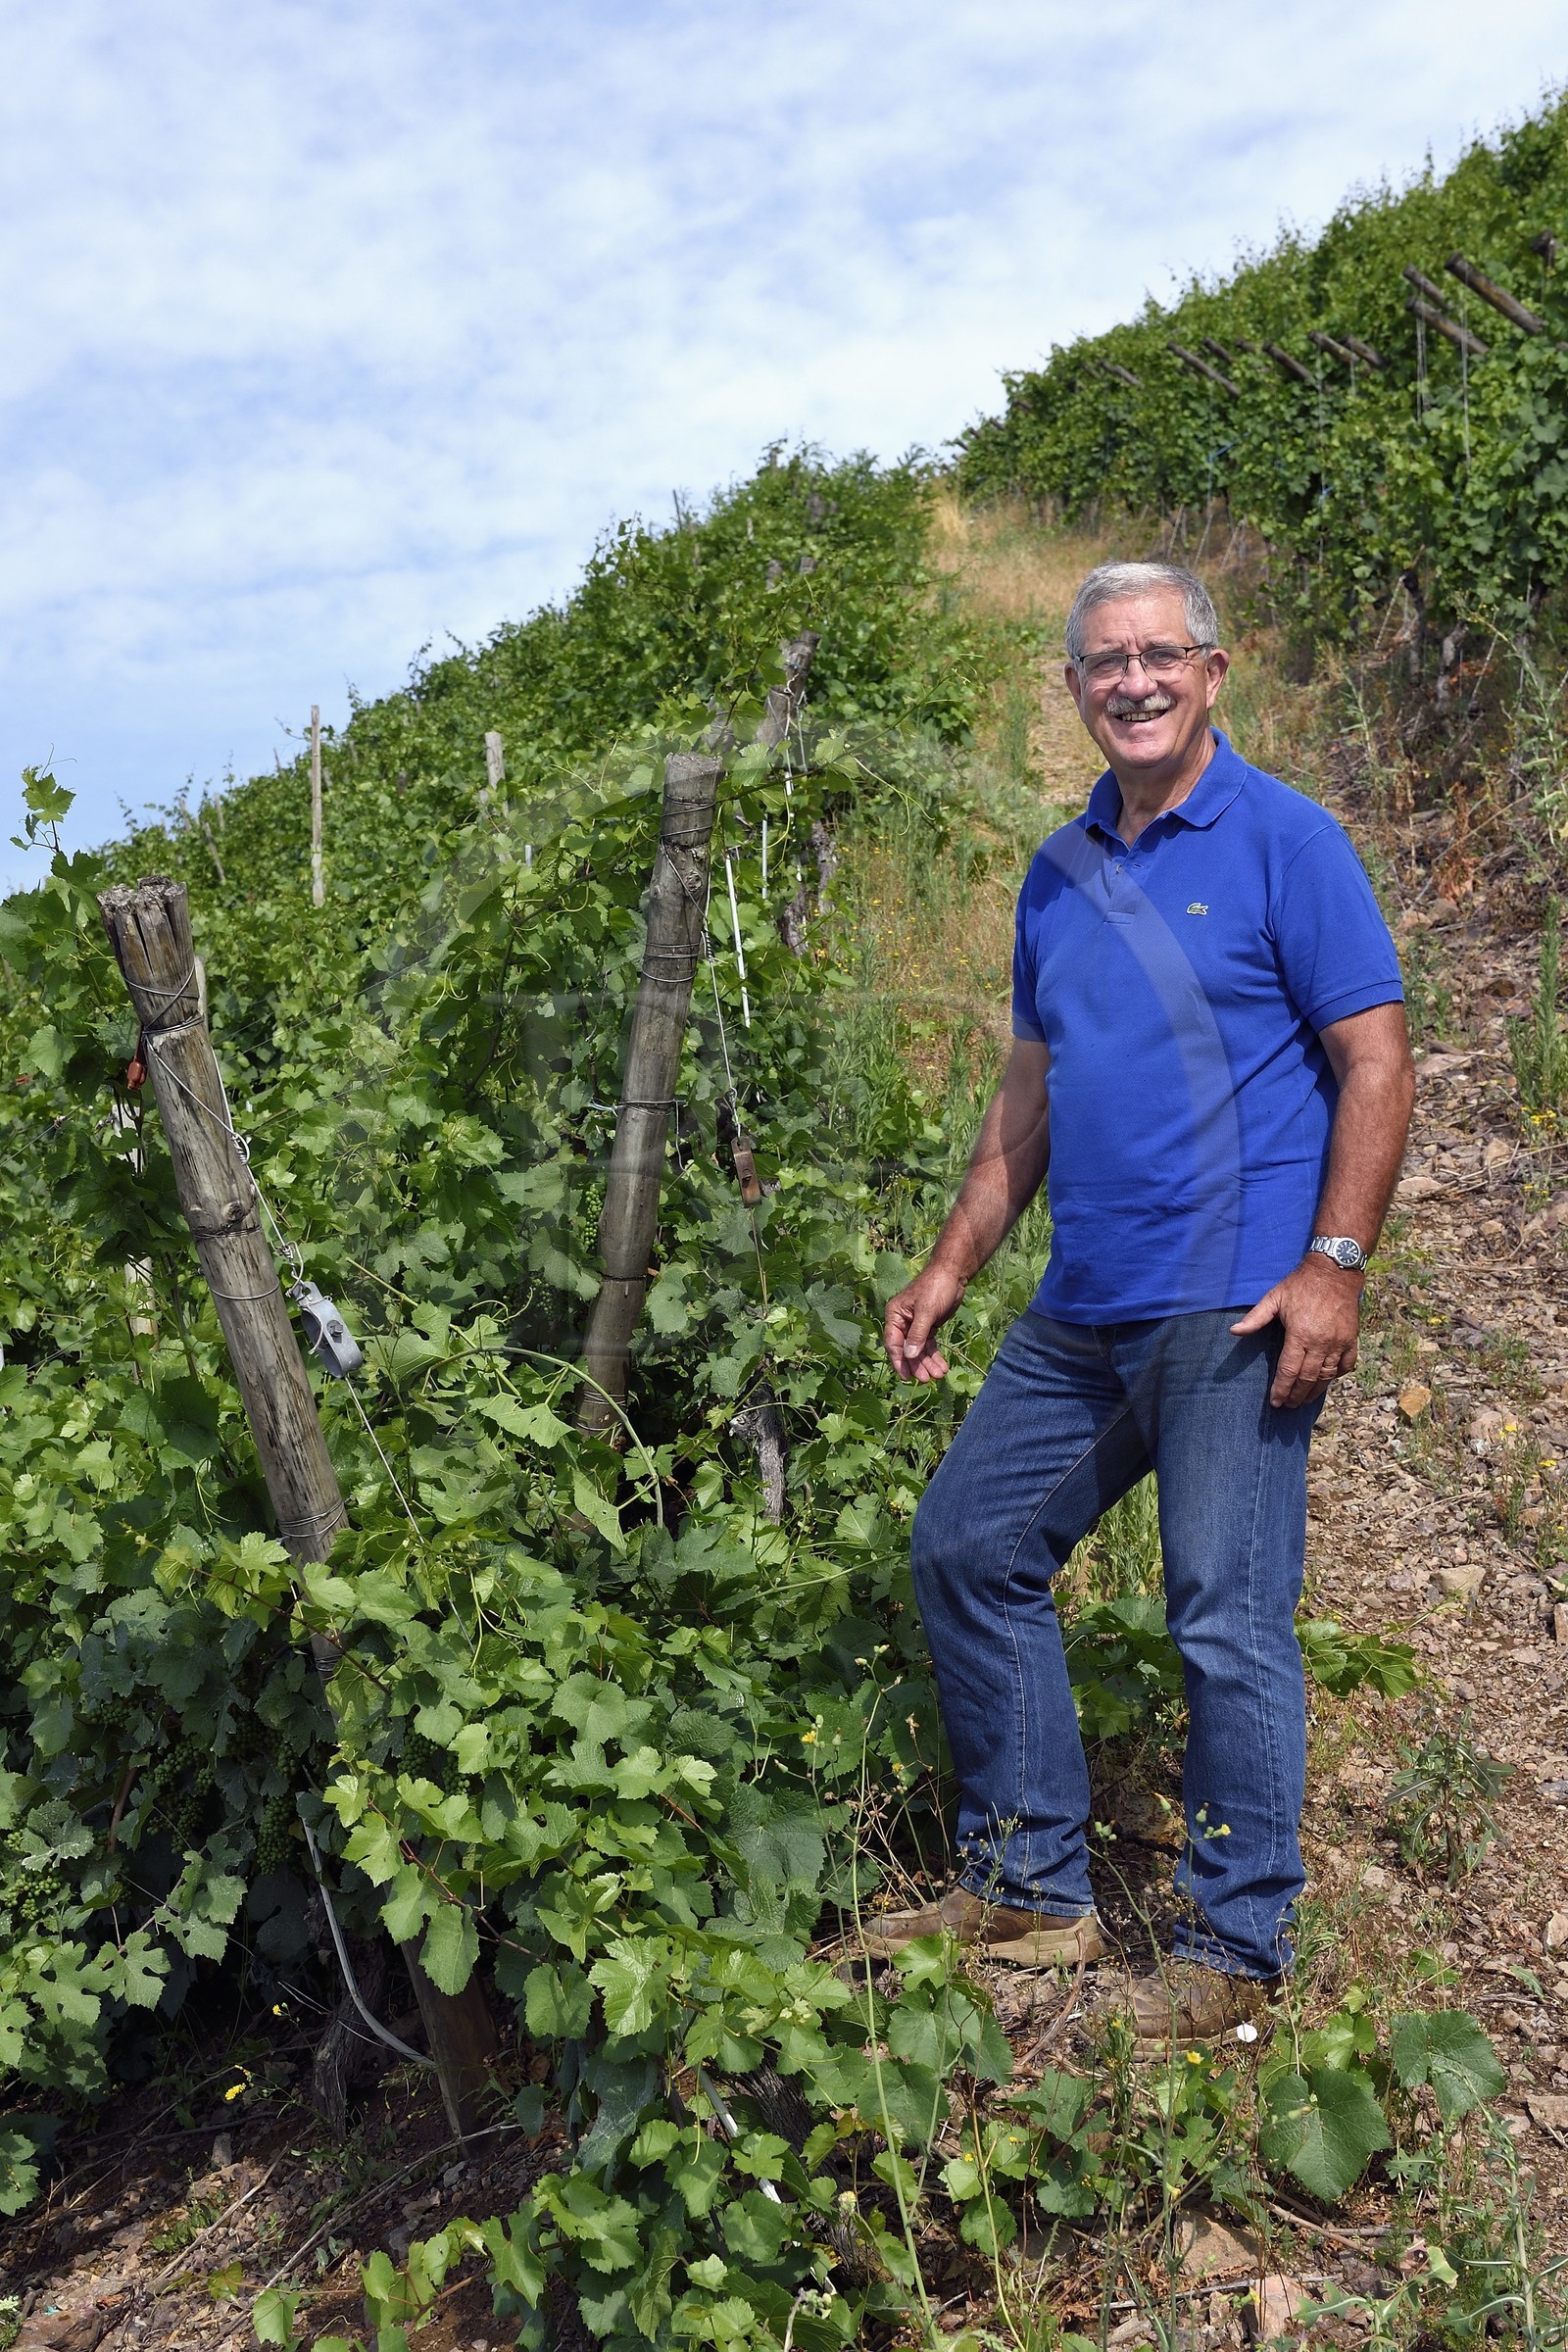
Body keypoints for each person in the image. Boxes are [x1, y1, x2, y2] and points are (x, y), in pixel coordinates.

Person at [873, 560, 1413, 2050]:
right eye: (1105, 662)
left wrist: (1336, 1266)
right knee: (972, 1544)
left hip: (1238, 1303)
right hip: (1086, 1307)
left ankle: (1235, 1944)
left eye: (1159, 656)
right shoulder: (1058, 874)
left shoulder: (1289, 843)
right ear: (1072, 689)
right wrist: (948, 1267)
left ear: (1215, 672)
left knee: (1223, 1619)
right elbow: (1023, 1109)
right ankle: (1030, 1882)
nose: (1133, 682)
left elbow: (1377, 1061)